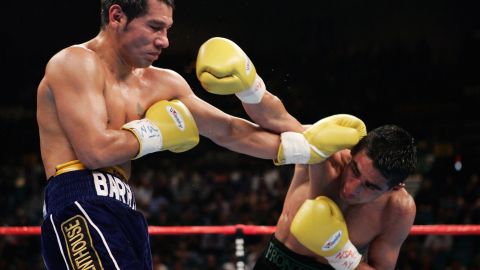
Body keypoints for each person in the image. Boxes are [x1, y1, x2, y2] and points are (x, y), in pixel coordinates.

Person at [36, 1, 366, 269]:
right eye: (154, 27)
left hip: (127, 212)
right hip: (77, 202)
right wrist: (156, 133)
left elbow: (230, 131)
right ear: (117, 16)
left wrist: (304, 147)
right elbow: (94, 151)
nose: (164, 40)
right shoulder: (75, 63)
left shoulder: (163, 83)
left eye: (167, 30)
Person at [196, 37, 418, 270]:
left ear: (396, 186)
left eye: (370, 186)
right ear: (354, 152)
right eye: (354, 170)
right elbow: (276, 118)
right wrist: (249, 85)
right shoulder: (324, 151)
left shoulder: (398, 209)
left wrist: (342, 255)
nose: (351, 188)